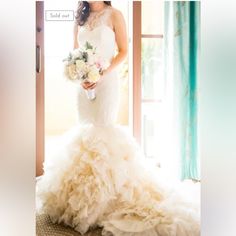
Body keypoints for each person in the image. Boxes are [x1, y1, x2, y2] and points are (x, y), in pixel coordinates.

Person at [38, 2, 200, 235]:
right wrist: (81, 75)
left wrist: (101, 72)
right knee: (85, 131)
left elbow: (123, 50)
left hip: (107, 81)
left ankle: (106, 199)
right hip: (84, 85)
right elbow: (75, 51)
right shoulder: (80, 17)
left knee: (103, 129)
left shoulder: (114, 15)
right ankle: (82, 199)